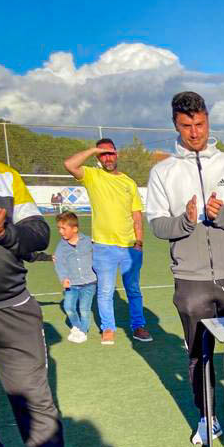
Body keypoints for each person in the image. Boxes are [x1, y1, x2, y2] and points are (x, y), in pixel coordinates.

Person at [0, 154, 107, 447]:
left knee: (36, 400)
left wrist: (2, 232)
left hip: (15, 309)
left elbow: (37, 233)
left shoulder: (1, 174)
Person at [146, 91, 224, 446]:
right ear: (176, 124)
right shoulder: (163, 171)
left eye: (200, 124)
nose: (194, 132)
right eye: (186, 125)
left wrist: (222, 215)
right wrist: (185, 221)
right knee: (198, 353)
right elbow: (157, 225)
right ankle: (208, 418)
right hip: (191, 281)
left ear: (208, 121)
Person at [64, 140, 151, 345]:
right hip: (103, 247)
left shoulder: (129, 182)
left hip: (130, 248)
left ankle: (138, 326)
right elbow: (69, 164)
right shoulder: (92, 176)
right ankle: (108, 329)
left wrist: (139, 242)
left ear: (116, 154)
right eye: (103, 154)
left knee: (133, 290)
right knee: (105, 291)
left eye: (110, 153)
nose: (108, 157)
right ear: (98, 157)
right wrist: (95, 149)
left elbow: (136, 215)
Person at [53, 211, 96, 343]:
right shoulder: (61, 246)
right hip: (71, 284)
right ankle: (77, 327)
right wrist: (63, 278)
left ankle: (83, 331)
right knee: (69, 307)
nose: (60, 231)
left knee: (84, 309)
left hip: (89, 282)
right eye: (59, 228)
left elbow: (99, 254)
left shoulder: (88, 241)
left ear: (75, 229)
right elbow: (59, 263)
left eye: (63, 228)